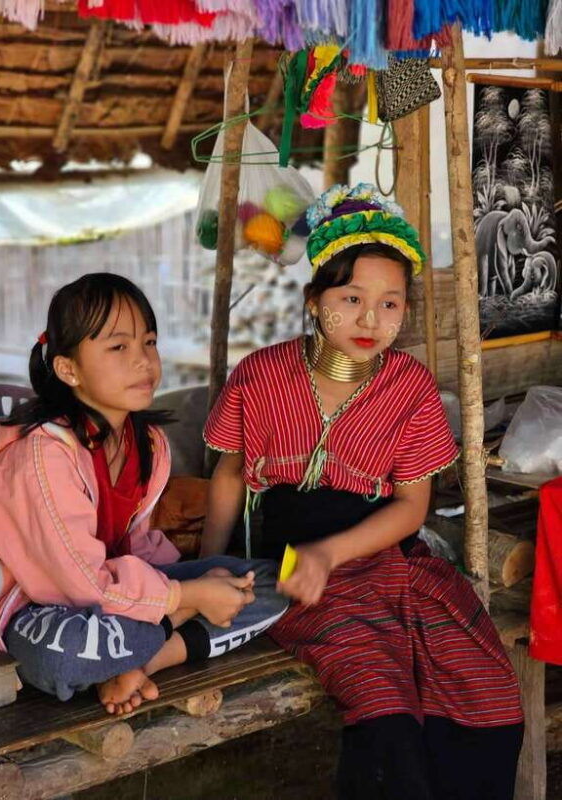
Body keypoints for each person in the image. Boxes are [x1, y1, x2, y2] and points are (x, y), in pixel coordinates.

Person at [200, 185, 524, 799]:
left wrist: (333, 553)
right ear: (314, 301)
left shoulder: (410, 388)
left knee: (484, 689)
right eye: (351, 299)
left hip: (389, 560)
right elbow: (230, 476)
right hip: (292, 569)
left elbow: (412, 506)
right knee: (382, 699)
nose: (371, 320)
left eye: (389, 304)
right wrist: (207, 571)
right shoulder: (262, 376)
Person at [0, 273, 287, 715]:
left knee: (268, 582)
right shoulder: (43, 457)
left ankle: (143, 663)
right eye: (119, 347)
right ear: (68, 369)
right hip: (27, 610)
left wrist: (193, 582)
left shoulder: (147, 442)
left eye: (149, 342)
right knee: (68, 657)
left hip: (114, 602)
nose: (143, 361)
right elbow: (81, 587)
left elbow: (136, 547)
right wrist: (186, 598)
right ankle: (153, 640)